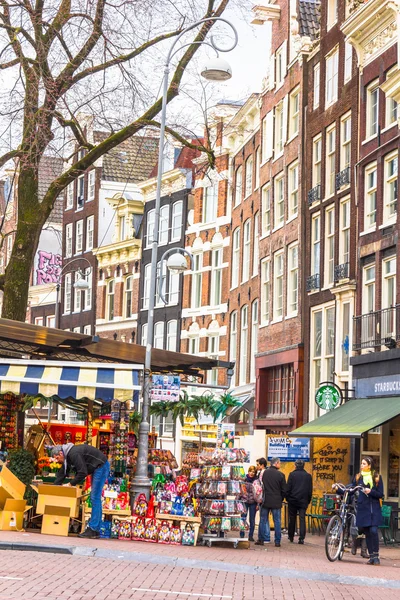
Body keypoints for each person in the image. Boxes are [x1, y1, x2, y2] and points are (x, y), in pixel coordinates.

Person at [51, 443, 110, 539]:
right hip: (98, 467)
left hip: (100, 466)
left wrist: (70, 484)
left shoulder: (73, 454)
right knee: (95, 497)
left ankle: (93, 529)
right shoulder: (68, 456)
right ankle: (95, 529)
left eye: (57, 458)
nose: (57, 461)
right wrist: (54, 488)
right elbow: (63, 472)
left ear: (61, 453)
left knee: (95, 497)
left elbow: (83, 472)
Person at [333, 456, 384, 565]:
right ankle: (372, 556)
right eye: (361, 463)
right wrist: (338, 490)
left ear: (369, 466)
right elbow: (350, 490)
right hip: (363, 509)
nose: (361, 465)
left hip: (374, 509)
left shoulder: (377, 478)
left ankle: (376, 555)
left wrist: (370, 491)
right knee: (367, 532)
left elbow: (380, 494)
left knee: (373, 531)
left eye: (364, 464)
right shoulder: (358, 478)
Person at [255, 457, 286, 547]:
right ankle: (277, 541)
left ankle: (261, 539)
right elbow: (284, 490)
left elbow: (260, 486)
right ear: (276, 464)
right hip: (276, 501)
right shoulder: (281, 475)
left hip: (265, 500)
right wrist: (281, 498)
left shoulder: (264, 473)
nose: (280, 464)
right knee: (277, 521)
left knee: (263, 520)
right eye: (279, 463)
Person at [286, 459, 313, 544]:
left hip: (293, 500)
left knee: (292, 518)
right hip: (303, 501)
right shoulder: (308, 476)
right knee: (302, 518)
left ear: (295, 465)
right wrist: (308, 500)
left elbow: (288, 488)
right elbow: (310, 490)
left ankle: (291, 536)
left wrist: (288, 498)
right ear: (303, 465)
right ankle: (301, 538)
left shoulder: (292, 475)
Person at [240, 465, 258, 541]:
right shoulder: (244, 479)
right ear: (248, 471)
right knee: (243, 518)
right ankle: (241, 534)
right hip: (244, 501)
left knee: (252, 519)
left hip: (253, 502)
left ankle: (251, 536)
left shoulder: (256, 481)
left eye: (253, 472)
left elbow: (258, 492)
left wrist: (258, 503)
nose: (251, 473)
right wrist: (237, 501)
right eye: (250, 471)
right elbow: (240, 491)